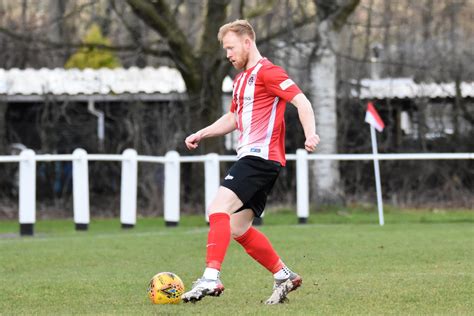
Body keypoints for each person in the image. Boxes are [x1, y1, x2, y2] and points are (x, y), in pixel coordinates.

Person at [182, 19, 320, 305]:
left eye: (231, 48)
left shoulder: (268, 72)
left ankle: (211, 276)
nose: (228, 54)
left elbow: (302, 102)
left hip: (260, 157)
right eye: (225, 50)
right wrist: (203, 132)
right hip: (259, 160)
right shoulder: (241, 79)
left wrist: (310, 134)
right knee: (238, 228)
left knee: (217, 209)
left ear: (247, 42)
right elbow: (234, 117)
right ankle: (284, 275)